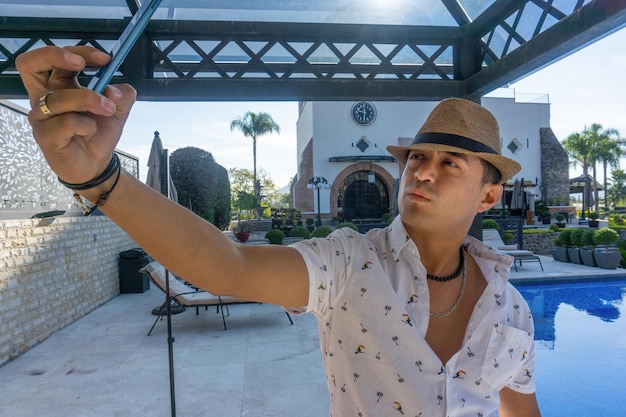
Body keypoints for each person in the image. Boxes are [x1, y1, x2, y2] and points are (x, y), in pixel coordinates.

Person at [16, 46, 541, 417]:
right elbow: (229, 264)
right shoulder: (348, 264)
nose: (423, 171)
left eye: (451, 163)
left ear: (489, 195)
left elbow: (520, 409)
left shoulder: (510, 310)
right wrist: (97, 178)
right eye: (418, 158)